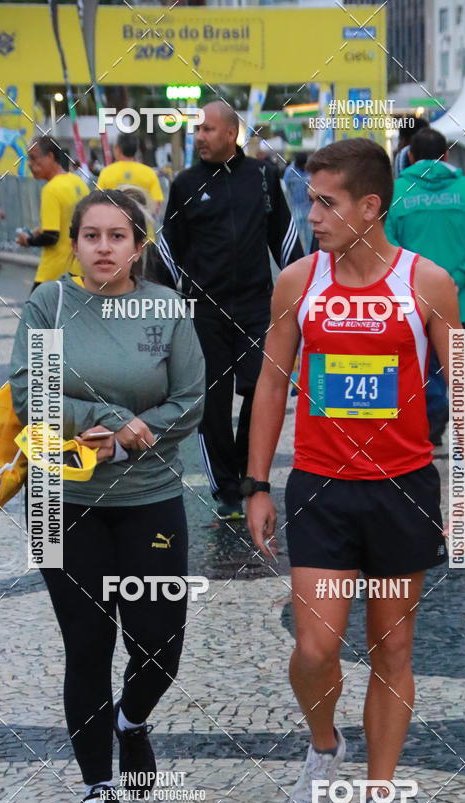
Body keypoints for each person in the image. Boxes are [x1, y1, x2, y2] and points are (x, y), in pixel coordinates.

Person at [245, 137, 465, 803]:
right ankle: (324, 746)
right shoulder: (296, 282)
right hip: (321, 486)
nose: (311, 215)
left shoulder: (429, 284)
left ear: (370, 207)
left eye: (326, 202)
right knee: (316, 646)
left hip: (402, 490)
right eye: (310, 200)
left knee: (395, 646)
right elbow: (268, 383)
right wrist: (256, 483)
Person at [9, 189, 205, 803]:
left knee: (159, 643)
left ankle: (133, 720)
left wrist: (141, 429)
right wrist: (105, 419)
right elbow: (26, 390)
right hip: (57, 499)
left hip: (149, 495)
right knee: (87, 646)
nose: (102, 248)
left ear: (137, 246)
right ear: (74, 242)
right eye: (90, 236)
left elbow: (189, 399)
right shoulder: (49, 303)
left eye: (116, 236)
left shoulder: (165, 309)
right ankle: (99, 794)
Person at [156, 100, 304, 520]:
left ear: (230, 133)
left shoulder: (263, 176)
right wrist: (159, 304)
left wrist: (309, 291)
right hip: (205, 310)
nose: (198, 137)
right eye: (196, 131)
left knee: (261, 390)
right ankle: (226, 488)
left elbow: (286, 238)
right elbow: (171, 250)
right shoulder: (185, 184)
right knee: (212, 403)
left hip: (259, 308)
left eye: (206, 130)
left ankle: (244, 469)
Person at [385, 128, 465, 445]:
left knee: (422, 371)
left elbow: (388, 245)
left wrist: (418, 280)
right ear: (447, 155)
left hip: (414, 304)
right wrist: (459, 277)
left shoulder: (396, 193)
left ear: (409, 155)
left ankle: (430, 430)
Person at [16, 136, 89, 291]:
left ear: (50, 156)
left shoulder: (51, 190)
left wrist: (28, 241)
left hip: (52, 275)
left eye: (34, 158)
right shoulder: (78, 183)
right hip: (79, 273)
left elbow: (51, 236)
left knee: (33, 314)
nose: (30, 164)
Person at [97, 133, 164, 222]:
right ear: (136, 149)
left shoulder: (106, 172)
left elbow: (97, 201)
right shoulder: (149, 172)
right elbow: (156, 204)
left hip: (115, 230)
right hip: (143, 231)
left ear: (117, 148)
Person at [283, 152, 312, 256]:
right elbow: (285, 189)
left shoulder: (310, 170)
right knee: (297, 236)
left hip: (310, 208)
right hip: (296, 208)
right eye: (302, 166)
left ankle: (310, 256)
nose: (304, 167)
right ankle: (298, 257)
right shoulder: (289, 171)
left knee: (310, 235)